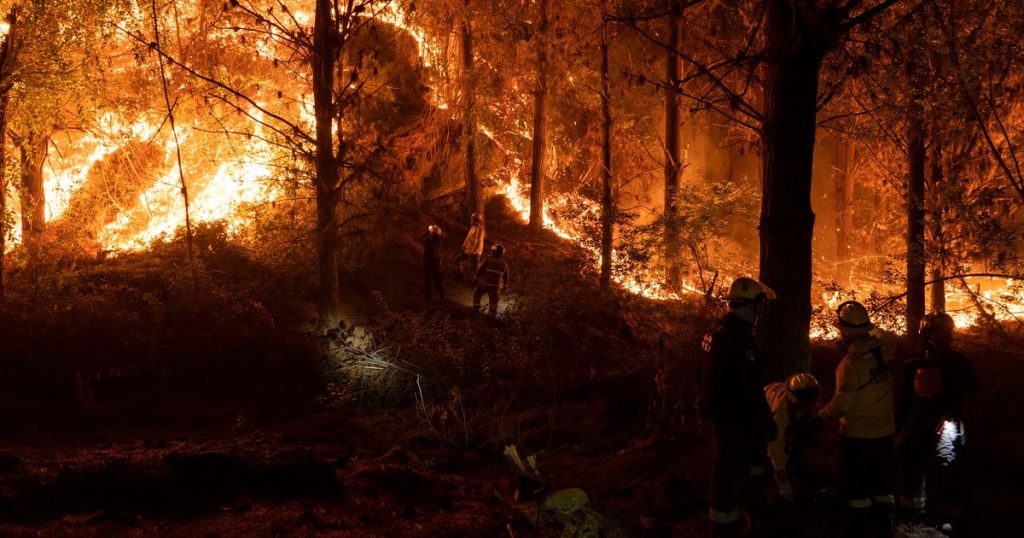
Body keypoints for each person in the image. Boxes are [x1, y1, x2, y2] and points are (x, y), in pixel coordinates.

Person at [700, 277, 777, 536]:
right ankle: (726, 526)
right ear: (747, 306)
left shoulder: (716, 332)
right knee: (730, 471)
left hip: (720, 413)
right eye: (757, 307)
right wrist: (766, 417)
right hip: (736, 417)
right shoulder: (742, 341)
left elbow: (704, 373)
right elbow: (750, 386)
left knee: (725, 468)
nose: (758, 314)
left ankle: (729, 519)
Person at [817, 301, 897, 538]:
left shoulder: (849, 365)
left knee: (857, 490)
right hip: (885, 434)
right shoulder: (887, 348)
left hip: (857, 437)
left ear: (845, 332)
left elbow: (843, 401)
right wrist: (867, 328)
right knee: (882, 487)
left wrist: (820, 416)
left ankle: (858, 530)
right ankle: (884, 529)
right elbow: (885, 334)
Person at [897, 312, 978, 529]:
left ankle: (946, 515)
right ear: (929, 333)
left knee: (948, 468)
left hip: (945, 422)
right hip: (923, 421)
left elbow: (972, 389)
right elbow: (904, 397)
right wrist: (899, 426)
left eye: (948, 331)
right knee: (914, 464)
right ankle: (915, 511)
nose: (947, 335)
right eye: (943, 331)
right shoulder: (915, 362)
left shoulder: (956, 361)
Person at [764, 373, 821, 502]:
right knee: (770, 436)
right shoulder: (781, 409)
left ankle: (793, 461)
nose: (809, 404)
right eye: (805, 400)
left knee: (807, 429)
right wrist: (783, 482)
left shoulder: (805, 400)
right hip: (763, 409)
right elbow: (775, 445)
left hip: (788, 411)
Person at [473, 243, 509, 316]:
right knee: (494, 301)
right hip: (496, 286)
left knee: (477, 295)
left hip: (484, 283)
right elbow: (506, 276)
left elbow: (479, 270)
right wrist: (505, 285)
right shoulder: (504, 264)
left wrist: (476, 279)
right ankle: (491, 315)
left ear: (494, 251)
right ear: (502, 254)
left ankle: (476, 309)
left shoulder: (487, 260)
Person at [454, 213, 486, 280]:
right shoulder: (473, 227)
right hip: (468, 250)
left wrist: (473, 251)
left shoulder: (479, 229)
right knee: (457, 260)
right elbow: (468, 237)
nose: (471, 220)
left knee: (475, 268)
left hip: (475, 252)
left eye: (472, 219)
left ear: (477, 220)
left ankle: (475, 282)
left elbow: (477, 242)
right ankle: (460, 276)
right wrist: (463, 246)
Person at [422, 225, 445, 299]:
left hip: (429, 261)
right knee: (437, 278)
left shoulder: (429, 239)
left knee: (428, 278)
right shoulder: (440, 240)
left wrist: (427, 234)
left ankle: (427, 295)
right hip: (437, 261)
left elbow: (423, 239)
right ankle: (442, 294)